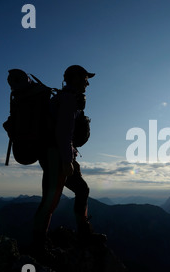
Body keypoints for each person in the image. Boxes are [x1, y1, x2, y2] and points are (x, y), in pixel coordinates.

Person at [32, 65, 105, 254]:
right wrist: (66, 161)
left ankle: (84, 233)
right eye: (84, 78)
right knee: (50, 201)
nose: (87, 83)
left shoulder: (64, 99)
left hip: (60, 154)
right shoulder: (68, 100)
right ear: (74, 79)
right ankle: (38, 246)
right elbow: (63, 132)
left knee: (82, 189)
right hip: (57, 156)